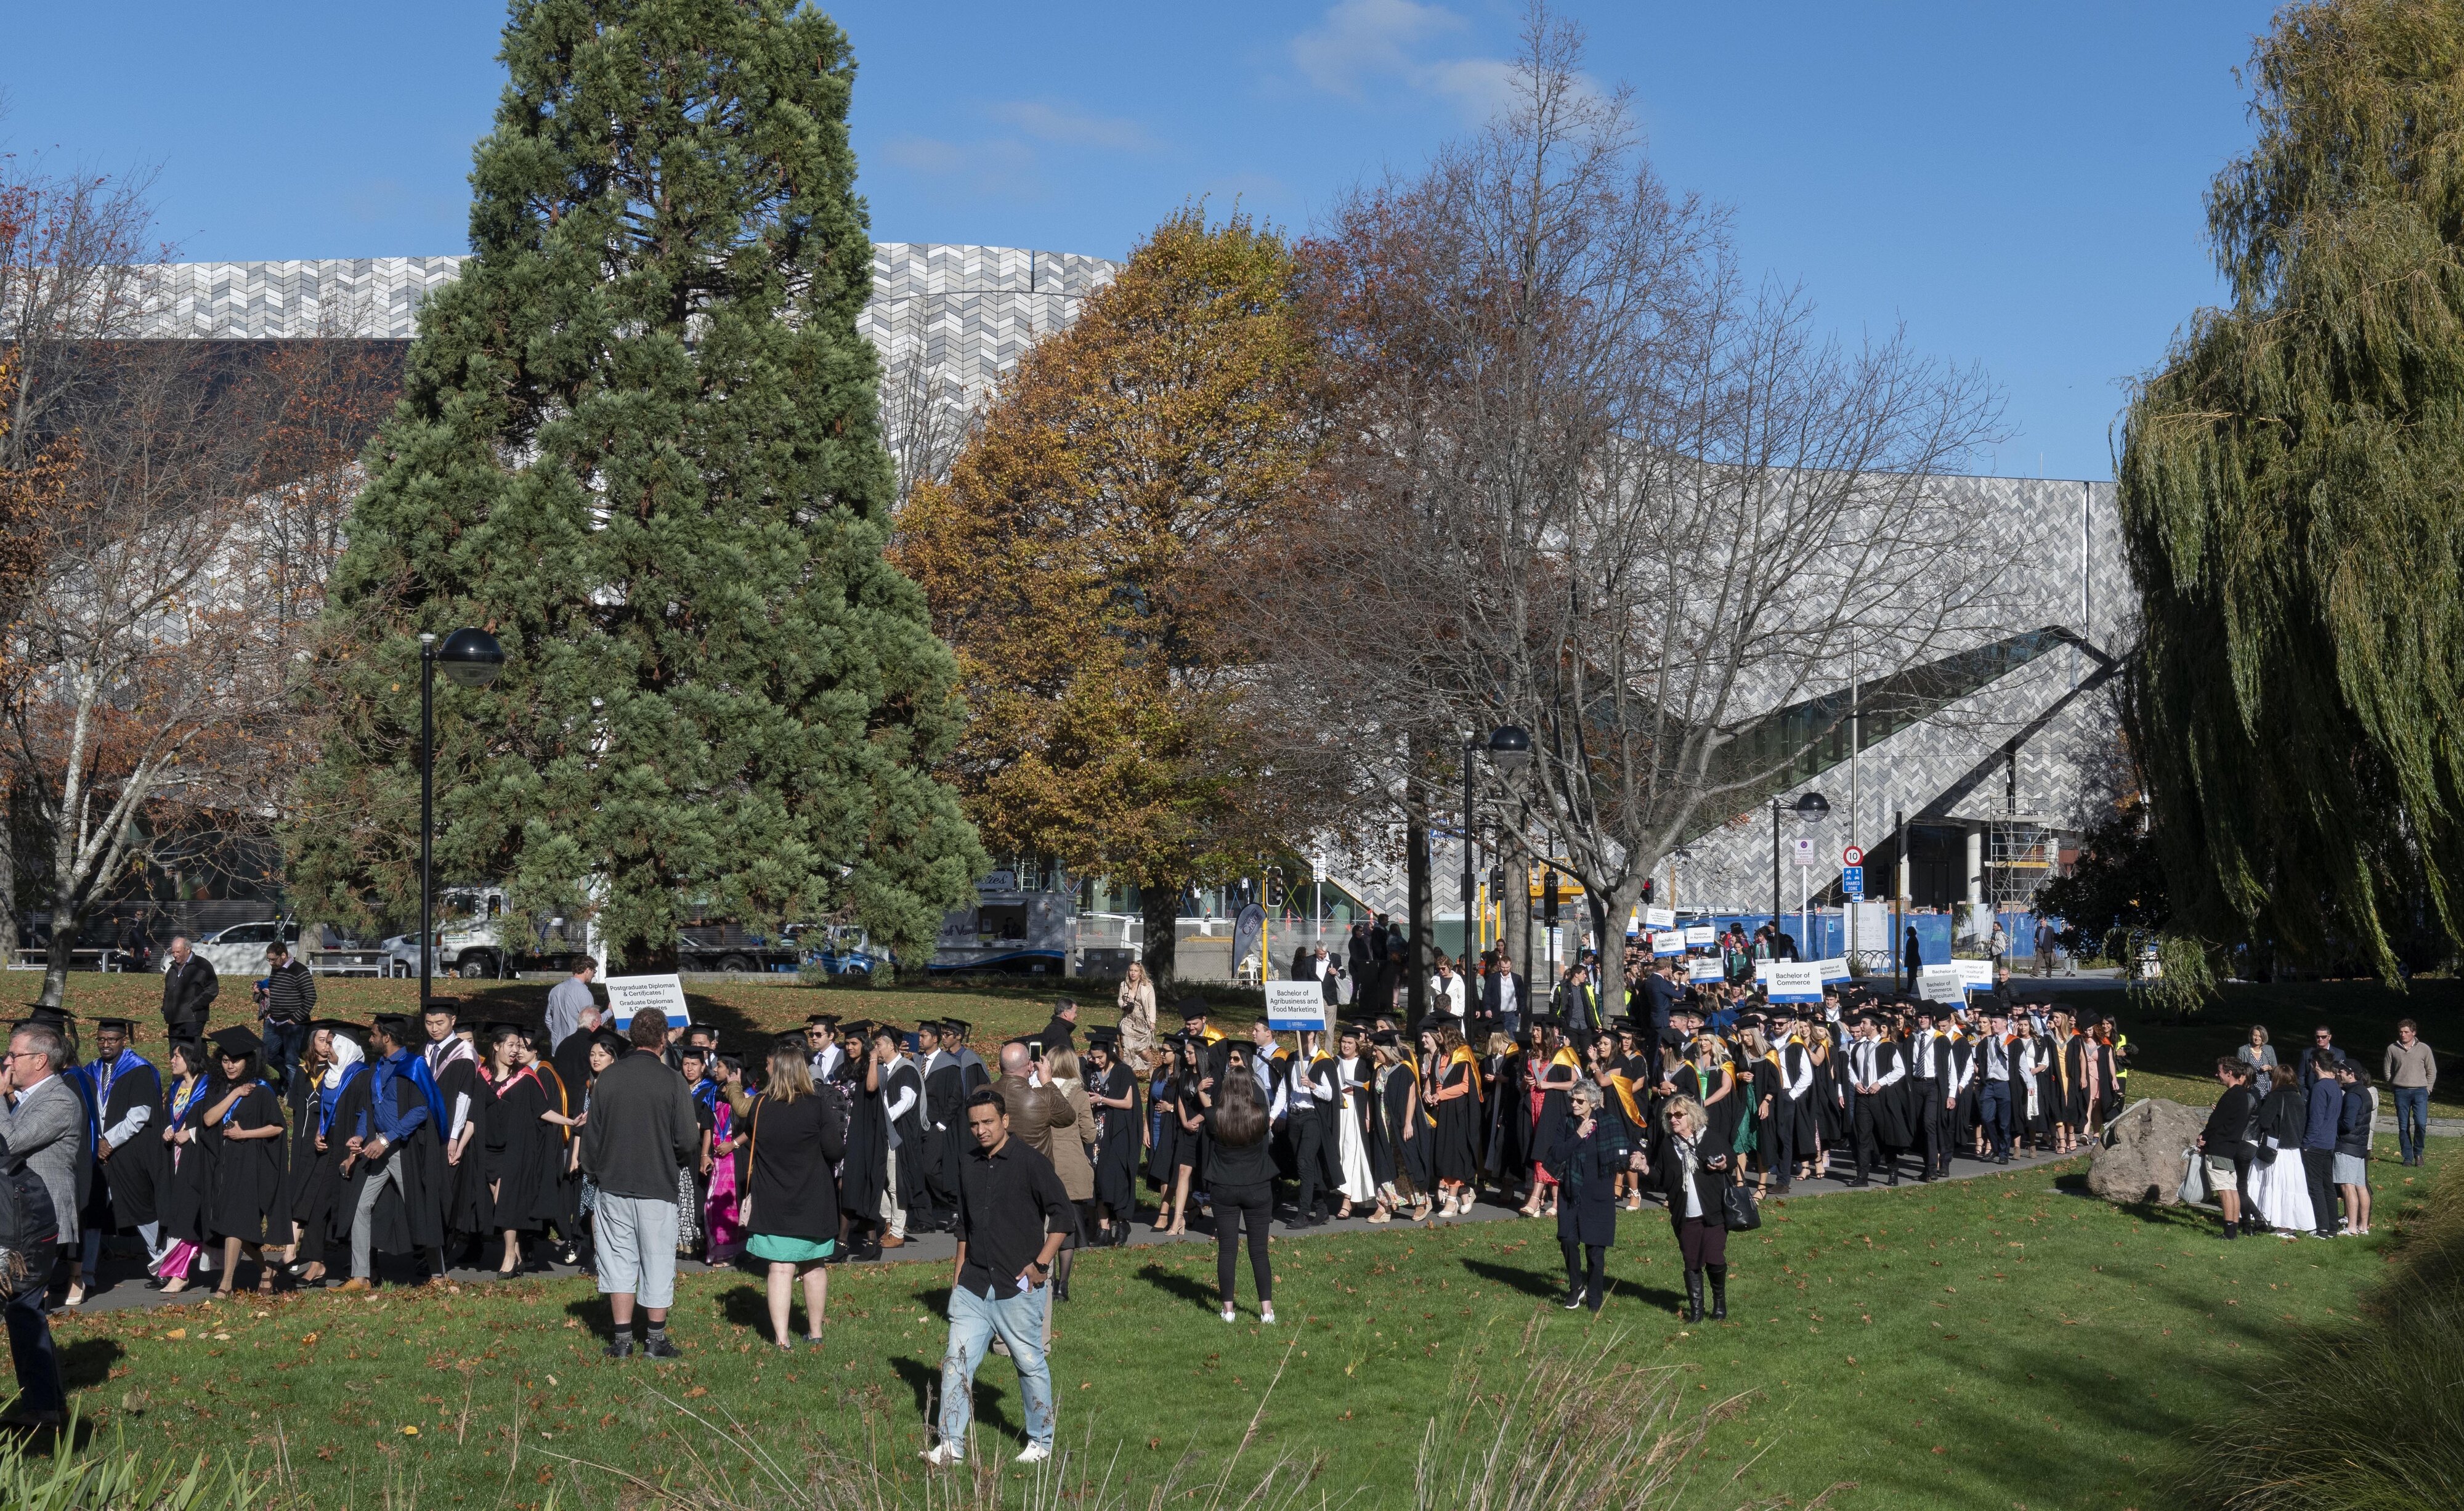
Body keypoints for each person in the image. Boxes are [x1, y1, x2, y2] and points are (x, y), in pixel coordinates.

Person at [922, 1088, 1072, 1468]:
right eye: (974, 1124)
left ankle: (1041, 1442)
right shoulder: (968, 1163)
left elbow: (1063, 1216)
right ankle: (951, 1445)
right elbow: (964, 1226)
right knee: (956, 1363)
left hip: (1017, 1286)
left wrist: (1041, 1266)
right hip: (973, 1286)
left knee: (1029, 1363)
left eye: (988, 1122)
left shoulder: (1031, 1162)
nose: (981, 1130)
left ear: (1005, 1120)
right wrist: (958, 1276)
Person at [578, 1010, 700, 1356]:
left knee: (618, 1259)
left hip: (613, 1183)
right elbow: (688, 1140)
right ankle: (655, 1339)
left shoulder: (608, 1079)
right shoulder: (673, 1081)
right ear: (663, 1040)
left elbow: (592, 1138)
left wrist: (594, 1172)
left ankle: (622, 1341)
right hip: (658, 1183)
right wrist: (673, 1161)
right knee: (657, 1259)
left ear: (632, 1037)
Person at [745, 1035, 846, 1350]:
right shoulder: (817, 1107)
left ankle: (782, 1340)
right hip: (812, 1198)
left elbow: (750, 1139)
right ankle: (815, 1333)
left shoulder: (759, 1107)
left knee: (779, 1268)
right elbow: (836, 1150)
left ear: (776, 1071)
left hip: (773, 1199)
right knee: (814, 1265)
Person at [336, 1015, 448, 1291]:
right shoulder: (376, 1068)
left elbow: (421, 1110)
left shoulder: (414, 1066)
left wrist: (386, 1140)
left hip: (404, 1151)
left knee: (420, 1209)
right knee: (361, 1206)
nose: (371, 1038)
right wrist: (360, 1135)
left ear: (387, 1037)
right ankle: (361, 1277)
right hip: (377, 1149)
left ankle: (438, 1276)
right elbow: (369, 1109)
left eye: (374, 1034)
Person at [71, 1017, 164, 1306]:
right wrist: (96, 1143)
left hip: (128, 1152)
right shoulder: (90, 1071)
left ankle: (164, 1266)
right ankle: (86, 1274)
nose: (105, 1045)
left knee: (141, 1209)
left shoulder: (140, 1070)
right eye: (101, 1039)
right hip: (97, 1154)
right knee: (93, 1213)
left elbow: (140, 1114)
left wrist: (108, 1141)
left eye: (112, 1040)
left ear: (124, 1040)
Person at [2, 1019, 83, 1308]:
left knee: (25, 1303)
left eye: (14, 1055)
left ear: (40, 1060)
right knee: (19, 1304)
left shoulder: (60, 1101)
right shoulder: (25, 1099)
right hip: (19, 1213)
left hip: (39, 1215)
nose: (7, 1061)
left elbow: (10, 1143)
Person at [199, 1026, 285, 1295]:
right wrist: (235, 1094)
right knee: (230, 1224)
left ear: (248, 1062)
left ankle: (226, 1284)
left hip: (250, 1164)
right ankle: (266, 1269)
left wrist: (244, 1134)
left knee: (235, 1223)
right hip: (222, 1164)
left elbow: (277, 1128)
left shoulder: (261, 1091)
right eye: (225, 1061)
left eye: (235, 1061)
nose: (230, 1066)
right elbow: (209, 1119)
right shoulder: (218, 1087)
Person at [282, 1021, 364, 1289]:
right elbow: (324, 1111)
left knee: (354, 1205)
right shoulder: (329, 1074)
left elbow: (366, 1112)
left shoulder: (360, 1075)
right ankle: (316, 1263)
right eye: (325, 1043)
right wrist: (320, 1131)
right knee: (317, 1203)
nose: (328, 1048)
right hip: (327, 1145)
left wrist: (358, 1140)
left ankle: (364, 1266)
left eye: (332, 1043)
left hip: (351, 1146)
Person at [1546, 1080, 1639, 1313]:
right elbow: (1556, 1154)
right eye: (1572, 1099)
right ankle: (1576, 1286)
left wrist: (1638, 1154)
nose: (1574, 1104)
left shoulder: (1608, 1122)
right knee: (1567, 1240)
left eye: (1580, 1100)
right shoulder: (1567, 1123)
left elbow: (1626, 1146)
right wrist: (1578, 1135)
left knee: (1596, 1252)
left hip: (1599, 1195)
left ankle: (1595, 1298)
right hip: (1571, 1191)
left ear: (1593, 1102)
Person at [1201, 1060, 1277, 1324]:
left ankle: (1228, 1310)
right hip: (1258, 1186)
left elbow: (1208, 1121)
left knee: (1227, 1250)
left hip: (1224, 1186)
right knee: (1259, 1251)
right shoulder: (1260, 1114)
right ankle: (1266, 1311)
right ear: (1249, 1088)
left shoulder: (1214, 1116)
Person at [1656, 1094, 1732, 1323]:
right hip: (1685, 1215)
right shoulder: (1668, 1145)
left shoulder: (1709, 1138)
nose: (1673, 1119)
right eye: (1669, 1116)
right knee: (1692, 1262)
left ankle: (1719, 1302)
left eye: (1679, 1115)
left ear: (1691, 1116)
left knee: (1715, 1258)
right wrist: (1643, 1168)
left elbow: (1731, 1159)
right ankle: (1697, 1310)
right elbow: (1661, 1179)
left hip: (1714, 1212)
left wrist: (1723, 1164)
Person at [1038, 1046, 1095, 1300]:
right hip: (1071, 1165)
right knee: (1066, 1227)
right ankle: (1063, 1285)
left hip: (1044, 1162)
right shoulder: (1079, 1095)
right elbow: (1089, 1134)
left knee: (1043, 1226)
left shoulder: (1038, 1092)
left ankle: (1045, 1279)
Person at [1082, 1029, 1140, 1245]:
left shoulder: (1123, 1071)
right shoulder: (1090, 1072)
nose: (1096, 1061)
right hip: (1095, 1130)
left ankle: (1122, 1223)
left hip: (1116, 1131)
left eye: (1100, 1057)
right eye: (1093, 1057)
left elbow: (1128, 1103)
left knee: (1113, 1177)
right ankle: (1104, 1229)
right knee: (1096, 1178)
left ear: (1109, 1052)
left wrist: (1102, 1099)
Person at [2248, 1063, 2316, 1236]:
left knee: (2274, 1186)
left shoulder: (2275, 1097)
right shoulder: (2299, 1098)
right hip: (2293, 1150)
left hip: (2275, 1148)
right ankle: (2288, 1225)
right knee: (2289, 1188)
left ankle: (2269, 1219)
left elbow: (2264, 1122)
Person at [2200, 1058, 2259, 1241]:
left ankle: (2229, 1232)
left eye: (2219, 1071)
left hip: (2219, 1147)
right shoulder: (2243, 1095)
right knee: (2232, 1189)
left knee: (2224, 1190)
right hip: (2231, 1147)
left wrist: (2203, 1136)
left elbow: (2216, 1121)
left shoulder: (2231, 1095)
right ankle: (2232, 1229)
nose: (2217, 1075)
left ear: (2229, 1073)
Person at [256, 943, 316, 1092]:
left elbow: (311, 996)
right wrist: (261, 990)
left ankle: (295, 1093)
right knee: (266, 1055)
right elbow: (280, 991)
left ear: (284, 955)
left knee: (291, 1061)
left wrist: (296, 1018)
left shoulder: (299, 970)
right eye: (269, 960)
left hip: (292, 1023)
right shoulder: (276, 969)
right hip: (273, 1021)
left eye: (273, 959)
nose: (271, 963)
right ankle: (294, 1080)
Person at [2300, 1051, 2343, 1239]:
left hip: (2316, 1143)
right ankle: (2332, 1227)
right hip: (2329, 1142)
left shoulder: (2320, 1087)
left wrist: (2307, 1143)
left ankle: (2322, 1228)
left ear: (2316, 1064)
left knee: (2315, 1185)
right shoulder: (2335, 1086)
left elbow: (2316, 1119)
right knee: (2327, 1185)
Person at [2383, 1019, 2436, 1167]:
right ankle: (2407, 1157)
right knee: (2403, 1125)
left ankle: (2418, 1153)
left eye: (2406, 1032)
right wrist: (2393, 1086)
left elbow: (2431, 1070)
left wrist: (2428, 1089)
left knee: (2421, 1123)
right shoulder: (2392, 1049)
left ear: (2414, 1033)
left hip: (2420, 1091)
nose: (2403, 1035)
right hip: (2401, 1091)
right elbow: (2387, 1070)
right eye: (2401, 1032)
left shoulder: (2424, 1049)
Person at [2333, 1059, 2373, 1237]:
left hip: (2348, 1146)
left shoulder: (2352, 1095)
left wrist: (2333, 1123)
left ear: (2351, 1075)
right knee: (2360, 1186)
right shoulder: (2364, 1092)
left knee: (2347, 1186)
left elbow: (2348, 1124)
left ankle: (2351, 1228)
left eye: (2342, 1071)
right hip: (2360, 1146)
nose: (2339, 1073)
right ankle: (2363, 1227)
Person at [160, 934, 219, 1042]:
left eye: (178, 952)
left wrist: (194, 1006)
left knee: (190, 1049)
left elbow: (212, 989)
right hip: (174, 1019)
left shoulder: (202, 965)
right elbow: (168, 990)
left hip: (193, 1019)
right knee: (175, 1050)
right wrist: (166, 1007)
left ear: (188, 950)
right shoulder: (173, 969)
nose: (175, 955)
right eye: (173, 952)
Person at [543, 959, 598, 1051]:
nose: (594, 975)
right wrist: (609, 1011)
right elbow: (592, 1022)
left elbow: (548, 1019)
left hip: (558, 1048)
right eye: (594, 971)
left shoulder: (556, 989)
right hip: (577, 1048)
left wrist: (558, 1034)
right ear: (588, 970)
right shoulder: (583, 992)